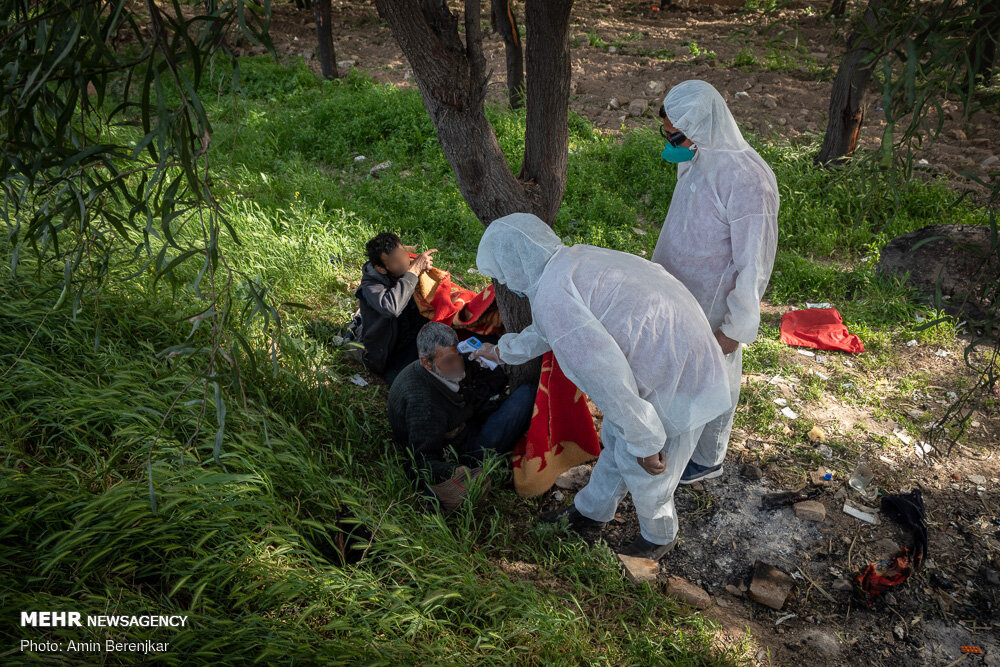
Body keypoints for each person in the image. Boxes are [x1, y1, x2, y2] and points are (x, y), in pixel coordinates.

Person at [471, 213, 730, 560]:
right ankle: (591, 512)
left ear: (515, 266)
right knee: (619, 443)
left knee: (648, 467)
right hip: (683, 354)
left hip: (675, 379)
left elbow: (607, 378)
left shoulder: (553, 298)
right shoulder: (573, 260)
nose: (506, 283)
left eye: (503, 276)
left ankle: (658, 536)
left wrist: (646, 440)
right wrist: (503, 351)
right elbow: (551, 330)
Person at [652, 80, 779, 485]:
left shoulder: (747, 179)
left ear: (704, 124)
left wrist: (736, 328)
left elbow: (754, 262)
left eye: (677, 134)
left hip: (713, 300)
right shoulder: (697, 156)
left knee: (715, 372)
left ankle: (706, 457)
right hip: (682, 290)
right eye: (668, 132)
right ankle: (687, 446)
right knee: (688, 374)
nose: (672, 141)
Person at [388, 322, 535, 513]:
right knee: (526, 396)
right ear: (426, 363)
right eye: (449, 361)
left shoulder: (438, 367)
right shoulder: (424, 406)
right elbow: (421, 461)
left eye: (458, 356)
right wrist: (453, 471)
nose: (458, 365)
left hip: (462, 424)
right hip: (457, 452)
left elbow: (470, 393)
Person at [355, 232, 437, 386]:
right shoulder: (371, 284)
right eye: (395, 262)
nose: (404, 263)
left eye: (403, 255)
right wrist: (413, 272)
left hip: (414, 334)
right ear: (381, 269)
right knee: (410, 382)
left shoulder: (407, 266)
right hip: (390, 351)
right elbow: (391, 308)